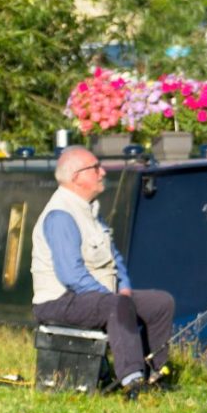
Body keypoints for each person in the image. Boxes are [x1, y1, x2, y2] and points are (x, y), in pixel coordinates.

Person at [30, 146, 175, 397]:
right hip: (59, 301)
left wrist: (125, 287)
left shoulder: (90, 210)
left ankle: (157, 372)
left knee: (160, 303)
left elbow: (113, 256)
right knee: (116, 306)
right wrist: (116, 299)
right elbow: (71, 276)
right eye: (95, 167)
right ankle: (132, 382)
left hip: (96, 296)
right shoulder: (61, 215)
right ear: (77, 177)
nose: (102, 172)